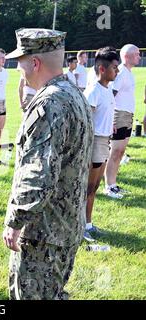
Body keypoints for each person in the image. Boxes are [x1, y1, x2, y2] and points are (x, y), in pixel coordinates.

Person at [3, 28, 93, 300]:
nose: (18, 67)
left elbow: (37, 174)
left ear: (35, 62)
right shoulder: (72, 94)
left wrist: (15, 221)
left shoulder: (49, 103)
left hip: (43, 233)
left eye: (20, 60)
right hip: (64, 226)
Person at [83, 49, 120, 242]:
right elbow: (87, 122)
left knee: (95, 186)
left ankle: (88, 224)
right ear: (102, 69)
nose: (117, 71)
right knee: (87, 187)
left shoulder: (106, 89)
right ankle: (81, 226)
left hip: (105, 141)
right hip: (95, 142)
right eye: (114, 67)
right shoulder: (93, 91)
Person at [104, 44, 141, 198]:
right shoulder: (120, 73)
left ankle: (113, 184)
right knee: (115, 152)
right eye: (137, 54)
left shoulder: (128, 72)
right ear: (127, 56)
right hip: (119, 115)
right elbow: (110, 95)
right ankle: (109, 187)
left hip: (127, 115)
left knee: (120, 152)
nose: (140, 56)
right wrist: (111, 119)